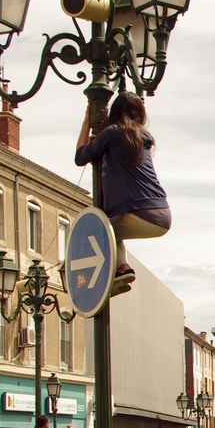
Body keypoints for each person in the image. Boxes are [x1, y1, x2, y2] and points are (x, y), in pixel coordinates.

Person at [74, 92, 171, 296]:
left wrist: (86, 121)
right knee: (111, 228)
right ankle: (122, 269)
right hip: (162, 214)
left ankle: (109, 280)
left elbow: (80, 157)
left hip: (140, 213)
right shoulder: (141, 138)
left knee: (100, 227)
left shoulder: (113, 132)